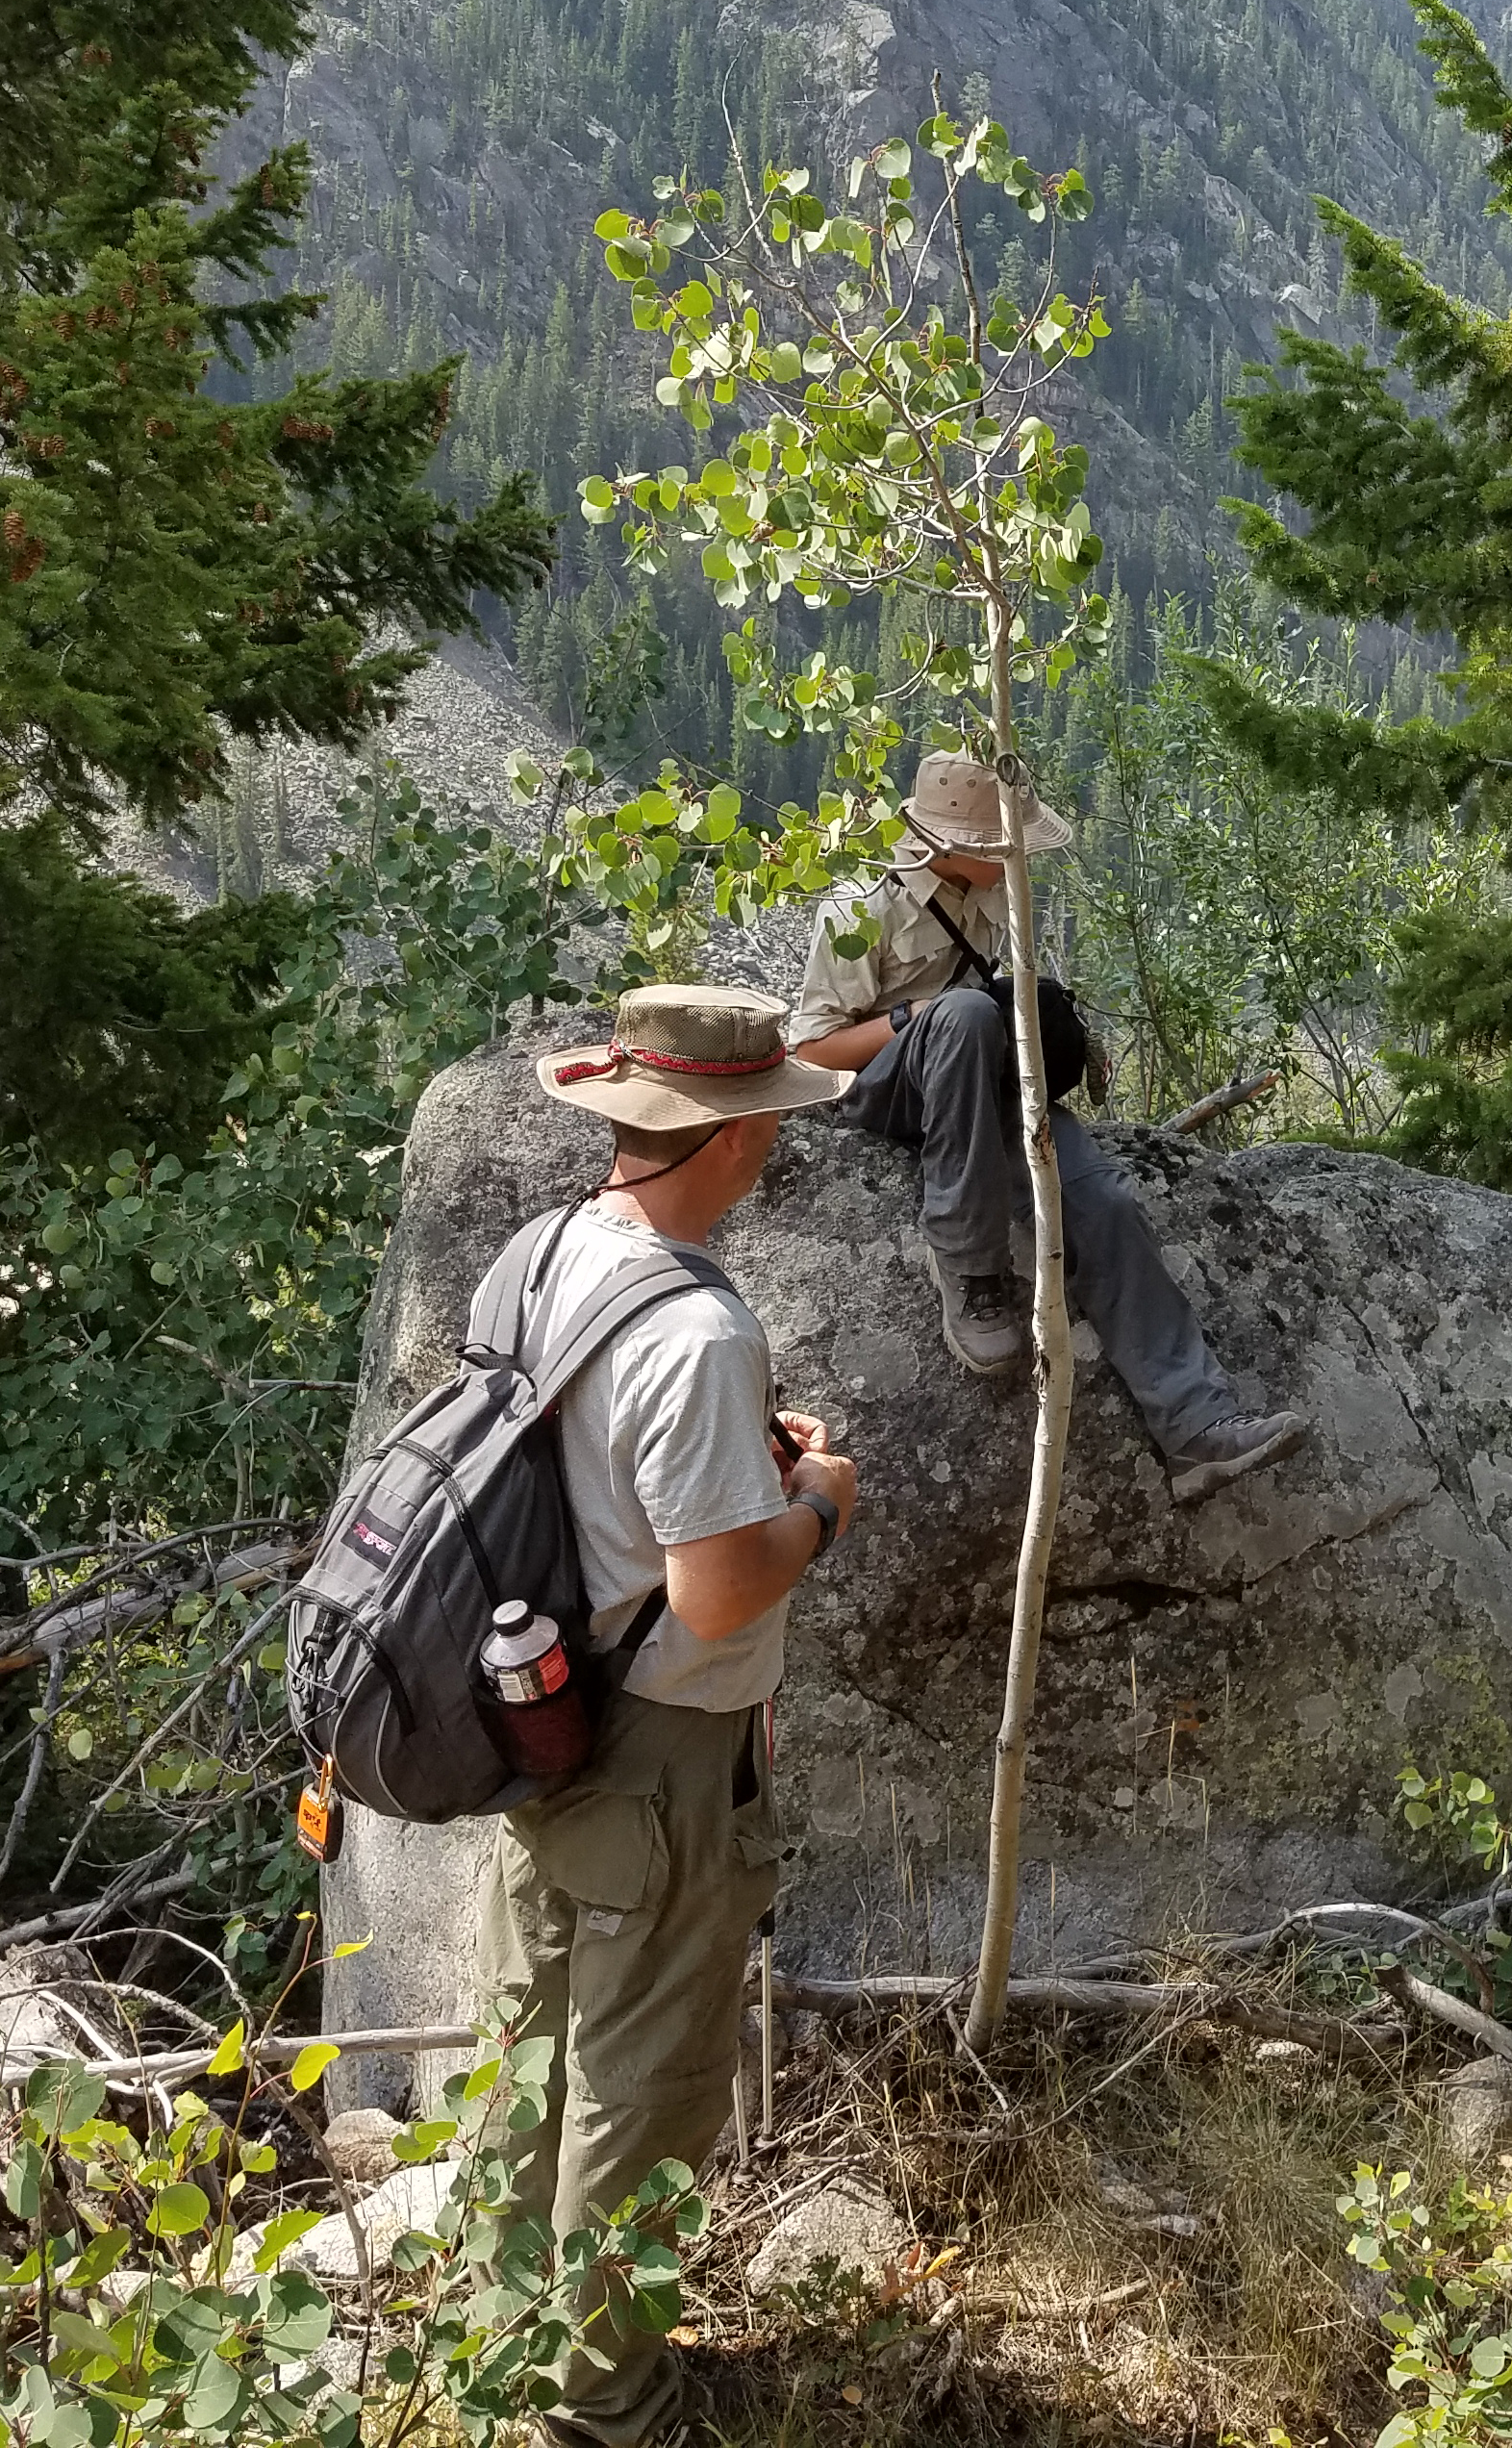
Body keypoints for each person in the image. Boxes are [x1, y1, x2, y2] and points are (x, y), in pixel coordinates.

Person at [488, 983, 861, 2447]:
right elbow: (716, 1598)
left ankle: (498, 2340)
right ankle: (602, 2407)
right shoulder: (700, 1334)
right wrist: (817, 1503)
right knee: (642, 2087)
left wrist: (734, 1465)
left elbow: (582, 1468)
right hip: (658, 1748)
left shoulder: (544, 1253)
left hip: (535, 1714)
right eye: (762, 1119)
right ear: (727, 1139)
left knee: (533, 2044)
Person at [788, 748, 1307, 1504]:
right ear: (953, 847)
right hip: (888, 1091)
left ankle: (1196, 1429)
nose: (1017, 856)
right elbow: (809, 1052)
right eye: (1004, 844)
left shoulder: (994, 897)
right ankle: (970, 1269)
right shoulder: (862, 907)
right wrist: (914, 1017)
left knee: (1103, 1202)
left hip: (984, 1083)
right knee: (964, 1013)